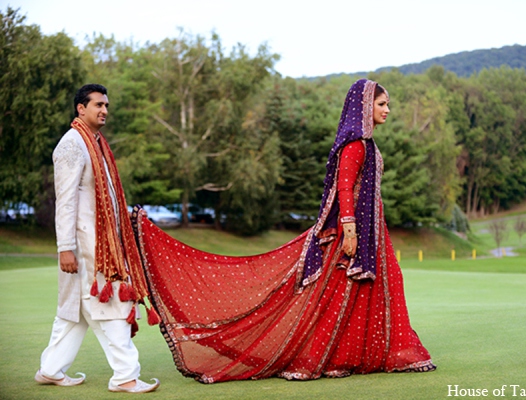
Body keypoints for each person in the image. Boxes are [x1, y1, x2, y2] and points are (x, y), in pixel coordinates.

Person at [135, 78, 435, 382]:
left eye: (387, 105)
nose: (388, 110)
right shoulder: (356, 146)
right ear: (363, 107)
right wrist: (350, 230)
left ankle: (345, 358)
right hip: (352, 233)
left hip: (371, 232)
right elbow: (344, 188)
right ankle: (322, 357)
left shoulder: (368, 145)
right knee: (332, 295)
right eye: (382, 104)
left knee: (363, 290)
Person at [35, 84, 160, 393]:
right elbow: (64, 201)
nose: (104, 110)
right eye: (98, 105)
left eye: (106, 106)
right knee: (111, 305)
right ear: (81, 108)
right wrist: (65, 248)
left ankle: (50, 370)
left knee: (74, 312)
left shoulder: (97, 144)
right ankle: (125, 377)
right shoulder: (72, 144)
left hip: (99, 243)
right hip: (87, 247)